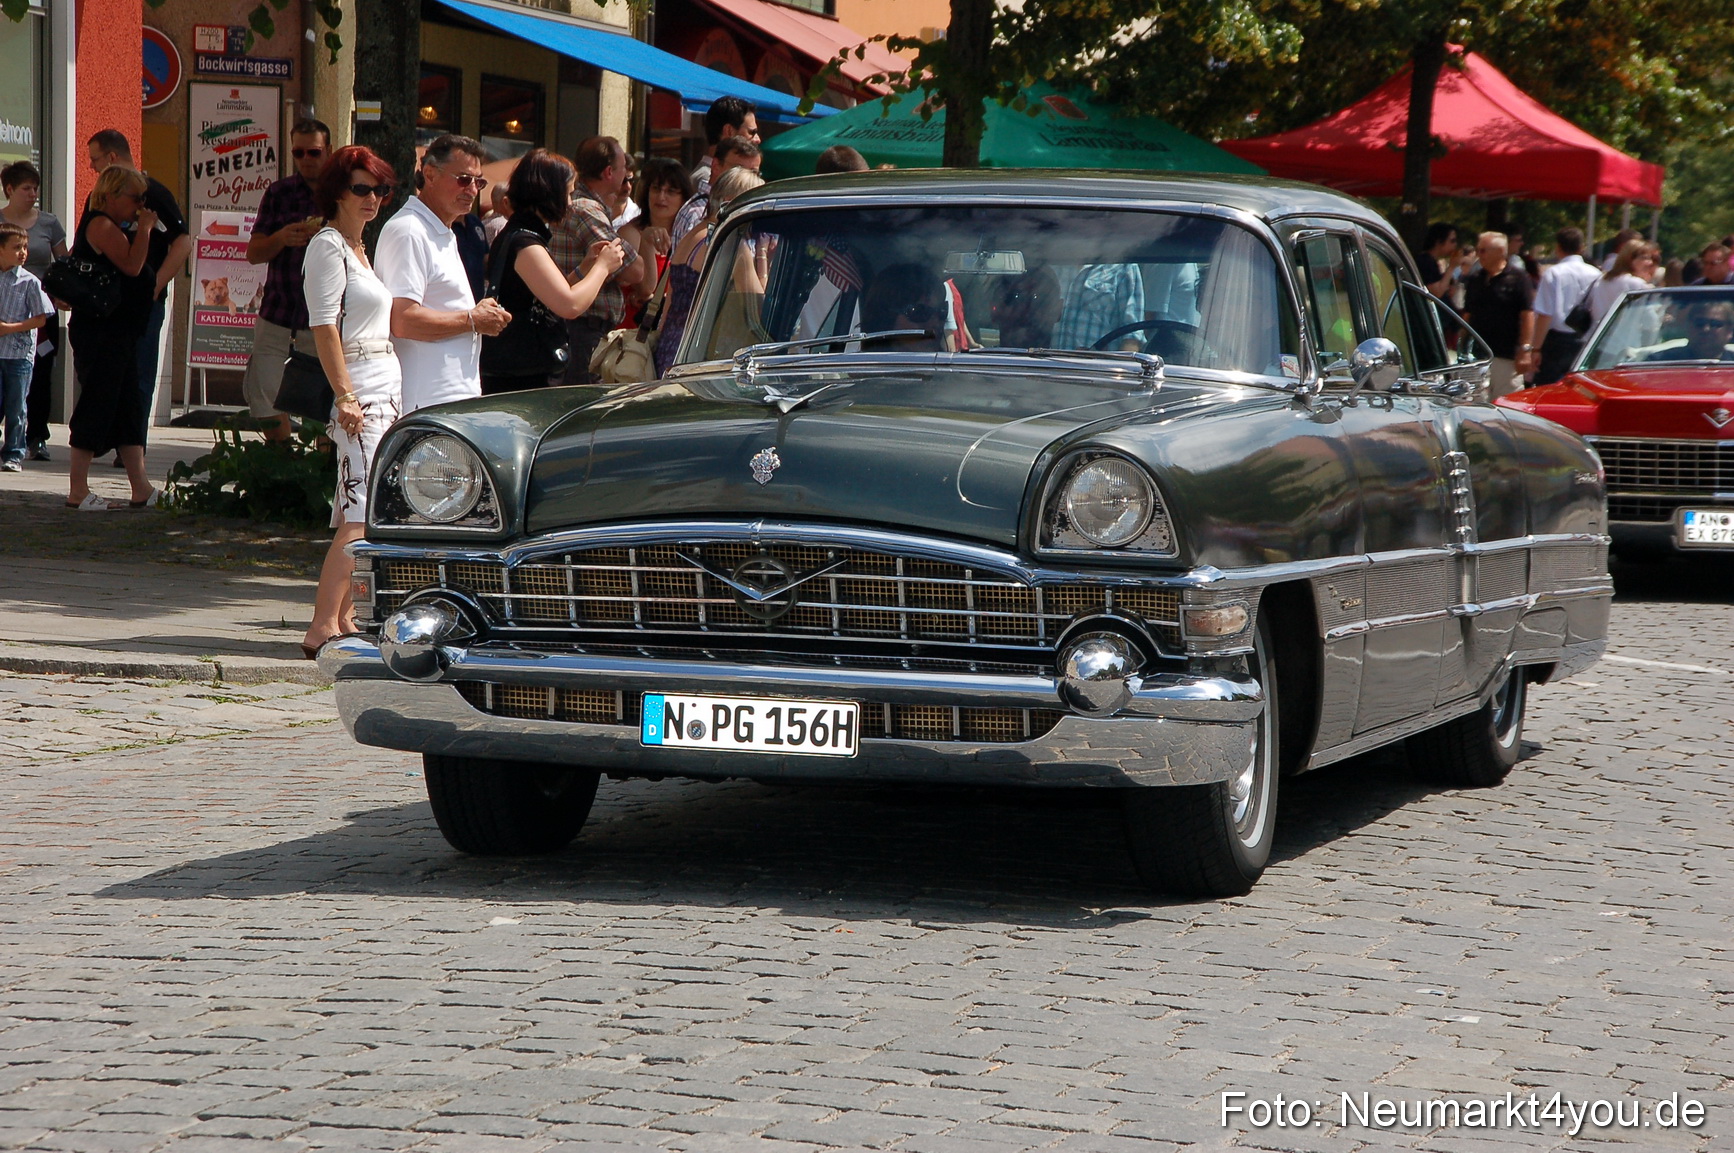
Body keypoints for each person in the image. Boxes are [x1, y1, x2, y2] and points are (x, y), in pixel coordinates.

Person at [300, 146, 404, 659]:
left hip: (383, 385)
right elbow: (323, 327)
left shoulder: (360, 246)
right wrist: (345, 394)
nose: (372, 199)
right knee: (362, 511)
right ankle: (321, 625)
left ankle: (341, 616)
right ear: (338, 191)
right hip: (360, 387)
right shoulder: (328, 246)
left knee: (356, 508)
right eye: (361, 189)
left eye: (380, 190)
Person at [377, 134, 509, 412]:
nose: (472, 190)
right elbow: (403, 320)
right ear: (429, 174)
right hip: (426, 401)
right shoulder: (410, 230)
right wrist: (473, 319)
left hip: (449, 400)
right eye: (463, 179)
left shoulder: (441, 229)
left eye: (479, 182)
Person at [480, 149, 626, 395]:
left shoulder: (520, 235)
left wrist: (586, 267)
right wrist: (603, 267)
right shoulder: (525, 244)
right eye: (568, 194)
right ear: (549, 194)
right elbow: (568, 305)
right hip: (523, 375)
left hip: (520, 371)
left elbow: (546, 295)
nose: (569, 203)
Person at [63, 165, 159, 511]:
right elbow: (132, 265)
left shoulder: (113, 226)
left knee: (128, 406)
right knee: (98, 402)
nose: (139, 206)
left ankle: (141, 486)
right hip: (101, 331)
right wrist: (145, 230)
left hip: (120, 331)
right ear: (113, 195)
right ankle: (77, 489)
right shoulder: (101, 224)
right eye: (135, 198)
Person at [87, 129, 190, 437]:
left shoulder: (153, 192)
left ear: (112, 157)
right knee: (104, 374)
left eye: (95, 160)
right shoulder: (101, 197)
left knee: (139, 373)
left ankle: (133, 444)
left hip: (143, 302)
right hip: (106, 303)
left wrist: (155, 286)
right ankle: (108, 437)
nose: (92, 167)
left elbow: (183, 242)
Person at [242, 119, 331, 442]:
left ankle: (321, 477)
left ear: (328, 151)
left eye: (314, 151)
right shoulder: (279, 193)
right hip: (278, 314)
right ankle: (282, 467)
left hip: (322, 318)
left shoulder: (344, 193)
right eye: (299, 152)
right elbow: (254, 252)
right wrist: (281, 237)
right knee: (265, 398)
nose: (306, 158)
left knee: (322, 404)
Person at [551, 136, 643, 383]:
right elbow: (635, 272)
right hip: (584, 331)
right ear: (609, 172)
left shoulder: (587, 206)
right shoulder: (587, 210)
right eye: (624, 168)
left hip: (579, 329)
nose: (626, 175)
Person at [655, 166, 763, 375]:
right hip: (702, 355)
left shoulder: (692, 235)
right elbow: (758, 309)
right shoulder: (731, 245)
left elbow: (670, 301)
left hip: (671, 346)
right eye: (755, 206)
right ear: (731, 202)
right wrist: (763, 255)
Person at [0, 160, 65, 461]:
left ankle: (36, 435)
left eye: (36, 189)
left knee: (39, 372)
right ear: (10, 189)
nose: (33, 194)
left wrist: (65, 295)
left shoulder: (49, 223)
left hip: (39, 309)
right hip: (4, 309)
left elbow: (64, 265)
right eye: (27, 188)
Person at [0, 222, 53, 471]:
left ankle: (14, 453)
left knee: (16, 406)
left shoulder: (29, 281)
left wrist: (10, 328)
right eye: (16, 247)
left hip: (19, 355)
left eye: (25, 247)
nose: (23, 252)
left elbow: (41, 318)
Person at [1459, 232, 1535, 399]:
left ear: (1501, 251)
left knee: (1505, 403)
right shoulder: (1475, 279)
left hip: (1506, 356)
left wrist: (1526, 350)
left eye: (1484, 250)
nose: (1479, 255)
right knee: (1474, 405)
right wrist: (1461, 345)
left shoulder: (1518, 278)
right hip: (1476, 357)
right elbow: (1467, 315)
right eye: (1478, 250)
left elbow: (1527, 315)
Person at [621, 158, 693, 329]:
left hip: (672, 329)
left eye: (671, 191)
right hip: (634, 336)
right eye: (656, 189)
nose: (661, 197)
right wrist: (646, 242)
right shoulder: (629, 233)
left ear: (684, 198)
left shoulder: (689, 235)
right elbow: (646, 289)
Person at [1527, 227, 1602, 385]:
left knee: (1549, 389)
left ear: (1558, 247)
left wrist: (1536, 348)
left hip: (1555, 341)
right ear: (1581, 247)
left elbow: (1545, 314)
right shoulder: (1596, 274)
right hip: (1585, 338)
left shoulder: (1553, 273)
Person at [672, 134, 764, 245]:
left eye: (754, 172)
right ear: (716, 166)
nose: (746, 177)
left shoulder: (743, 210)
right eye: (739, 169)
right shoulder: (700, 213)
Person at [1054, 263, 1145, 351]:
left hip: (1098, 364)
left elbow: (1132, 334)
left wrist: (1121, 365)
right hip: (1048, 363)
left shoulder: (1124, 265)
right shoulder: (1054, 260)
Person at [688, 96, 759, 196]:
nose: (757, 139)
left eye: (755, 172)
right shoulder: (706, 179)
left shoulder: (703, 175)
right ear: (729, 131)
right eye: (751, 132)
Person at [1588, 239, 1659, 328]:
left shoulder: (1602, 279)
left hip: (1597, 337)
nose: (1650, 262)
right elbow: (1651, 322)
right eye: (1644, 258)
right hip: (1625, 339)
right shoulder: (1636, 284)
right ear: (1630, 259)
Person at [1644, 299, 1734, 362]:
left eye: (1715, 324)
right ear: (1688, 326)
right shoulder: (1658, 362)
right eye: (1699, 323)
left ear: (1729, 331)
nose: (1706, 329)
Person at [1414, 222, 1458, 298]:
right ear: (1439, 241)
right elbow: (1436, 293)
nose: (1455, 245)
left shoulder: (1432, 261)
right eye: (1452, 241)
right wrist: (1451, 267)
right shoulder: (1425, 262)